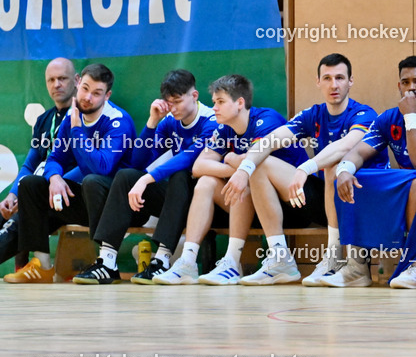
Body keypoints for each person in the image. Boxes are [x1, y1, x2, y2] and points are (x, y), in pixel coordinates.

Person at [220, 53, 383, 286]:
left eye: (339, 78)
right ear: (318, 82)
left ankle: (335, 257)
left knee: (332, 167)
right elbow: (270, 139)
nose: (333, 84)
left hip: (364, 196)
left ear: (350, 81)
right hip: (326, 198)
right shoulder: (312, 115)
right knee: (260, 163)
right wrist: (244, 169)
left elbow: (344, 146)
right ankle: (280, 259)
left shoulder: (363, 114)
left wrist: (305, 167)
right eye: (327, 78)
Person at [153, 75, 307, 285]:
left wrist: (231, 157)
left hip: (296, 202)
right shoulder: (224, 128)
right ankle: (190, 262)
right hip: (258, 205)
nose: (214, 107)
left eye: (221, 102)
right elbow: (199, 166)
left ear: (240, 103)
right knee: (207, 181)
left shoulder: (266, 119)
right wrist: (233, 166)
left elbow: (254, 157)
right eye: (214, 102)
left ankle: (273, 258)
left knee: (255, 167)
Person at [72, 69, 215, 284]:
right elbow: (138, 162)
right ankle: (107, 261)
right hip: (176, 200)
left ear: (194, 96)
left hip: (206, 199)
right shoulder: (169, 122)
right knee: (127, 175)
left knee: (180, 175)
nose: (173, 108)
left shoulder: (211, 120)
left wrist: (147, 179)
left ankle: (162, 261)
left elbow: (188, 158)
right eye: (169, 102)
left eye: (177, 101)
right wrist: (152, 122)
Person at [331, 56, 416, 289]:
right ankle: (357, 265)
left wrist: (410, 116)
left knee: (415, 180)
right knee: (353, 177)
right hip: (405, 187)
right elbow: (358, 152)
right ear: (399, 86)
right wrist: (344, 169)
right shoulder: (389, 118)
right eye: (405, 82)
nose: (411, 87)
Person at [4, 63, 136, 283]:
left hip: (112, 207)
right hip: (83, 200)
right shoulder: (71, 117)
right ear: (78, 84)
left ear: (107, 95)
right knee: (30, 184)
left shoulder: (118, 121)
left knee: (93, 180)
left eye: (96, 93)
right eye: (85, 89)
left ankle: (105, 263)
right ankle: (42, 266)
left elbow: (102, 167)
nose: (87, 97)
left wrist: (77, 130)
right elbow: (54, 158)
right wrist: (55, 178)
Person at [0, 58, 77, 268]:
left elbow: (88, 166)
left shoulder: (84, 118)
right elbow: (30, 163)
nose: (56, 84)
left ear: (76, 80)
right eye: (51, 80)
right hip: (35, 190)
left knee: (18, 221)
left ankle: (30, 268)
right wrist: (13, 194)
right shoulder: (44, 119)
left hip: (63, 197)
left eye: (62, 78)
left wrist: (40, 190)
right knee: (4, 210)